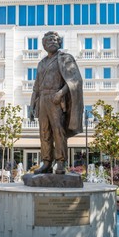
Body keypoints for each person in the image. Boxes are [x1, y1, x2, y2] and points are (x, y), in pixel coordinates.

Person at [30, 31, 83, 174]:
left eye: (55, 40)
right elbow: (36, 86)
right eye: (49, 40)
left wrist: (61, 93)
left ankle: (60, 162)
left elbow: (75, 80)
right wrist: (32, 105)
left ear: (59, 43)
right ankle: (46, 162)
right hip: (42, 100)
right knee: (44, 132)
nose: (52, 42)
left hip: (56, 99)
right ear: (44, 44)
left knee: (58, 132)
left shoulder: (65, 58)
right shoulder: (41, 63)